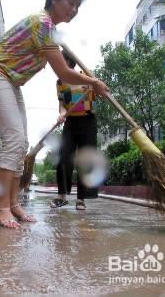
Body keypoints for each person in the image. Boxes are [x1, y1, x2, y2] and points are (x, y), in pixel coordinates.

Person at [0, 0, 109, 228]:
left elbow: (62, 68)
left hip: (9, 80)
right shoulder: (43, 23)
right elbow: (63, 74)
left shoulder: (49, 30)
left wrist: (90, 81)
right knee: (14, 139)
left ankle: (13, 204)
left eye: (78, 6)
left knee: (21, 142)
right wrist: (94, 83)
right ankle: (1, 207)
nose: (74, 10)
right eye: (70, 3)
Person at [51, 50, 98, 210]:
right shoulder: (60, 82)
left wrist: (96, 83)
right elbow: (62, 105)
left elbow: (102, 93)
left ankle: (81, 199)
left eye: (60, 60)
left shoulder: (86, 75)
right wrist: (62, 115)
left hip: (88, 120)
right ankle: (62, 195)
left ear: (68, 62)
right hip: (70, 122)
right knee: (64, 157)